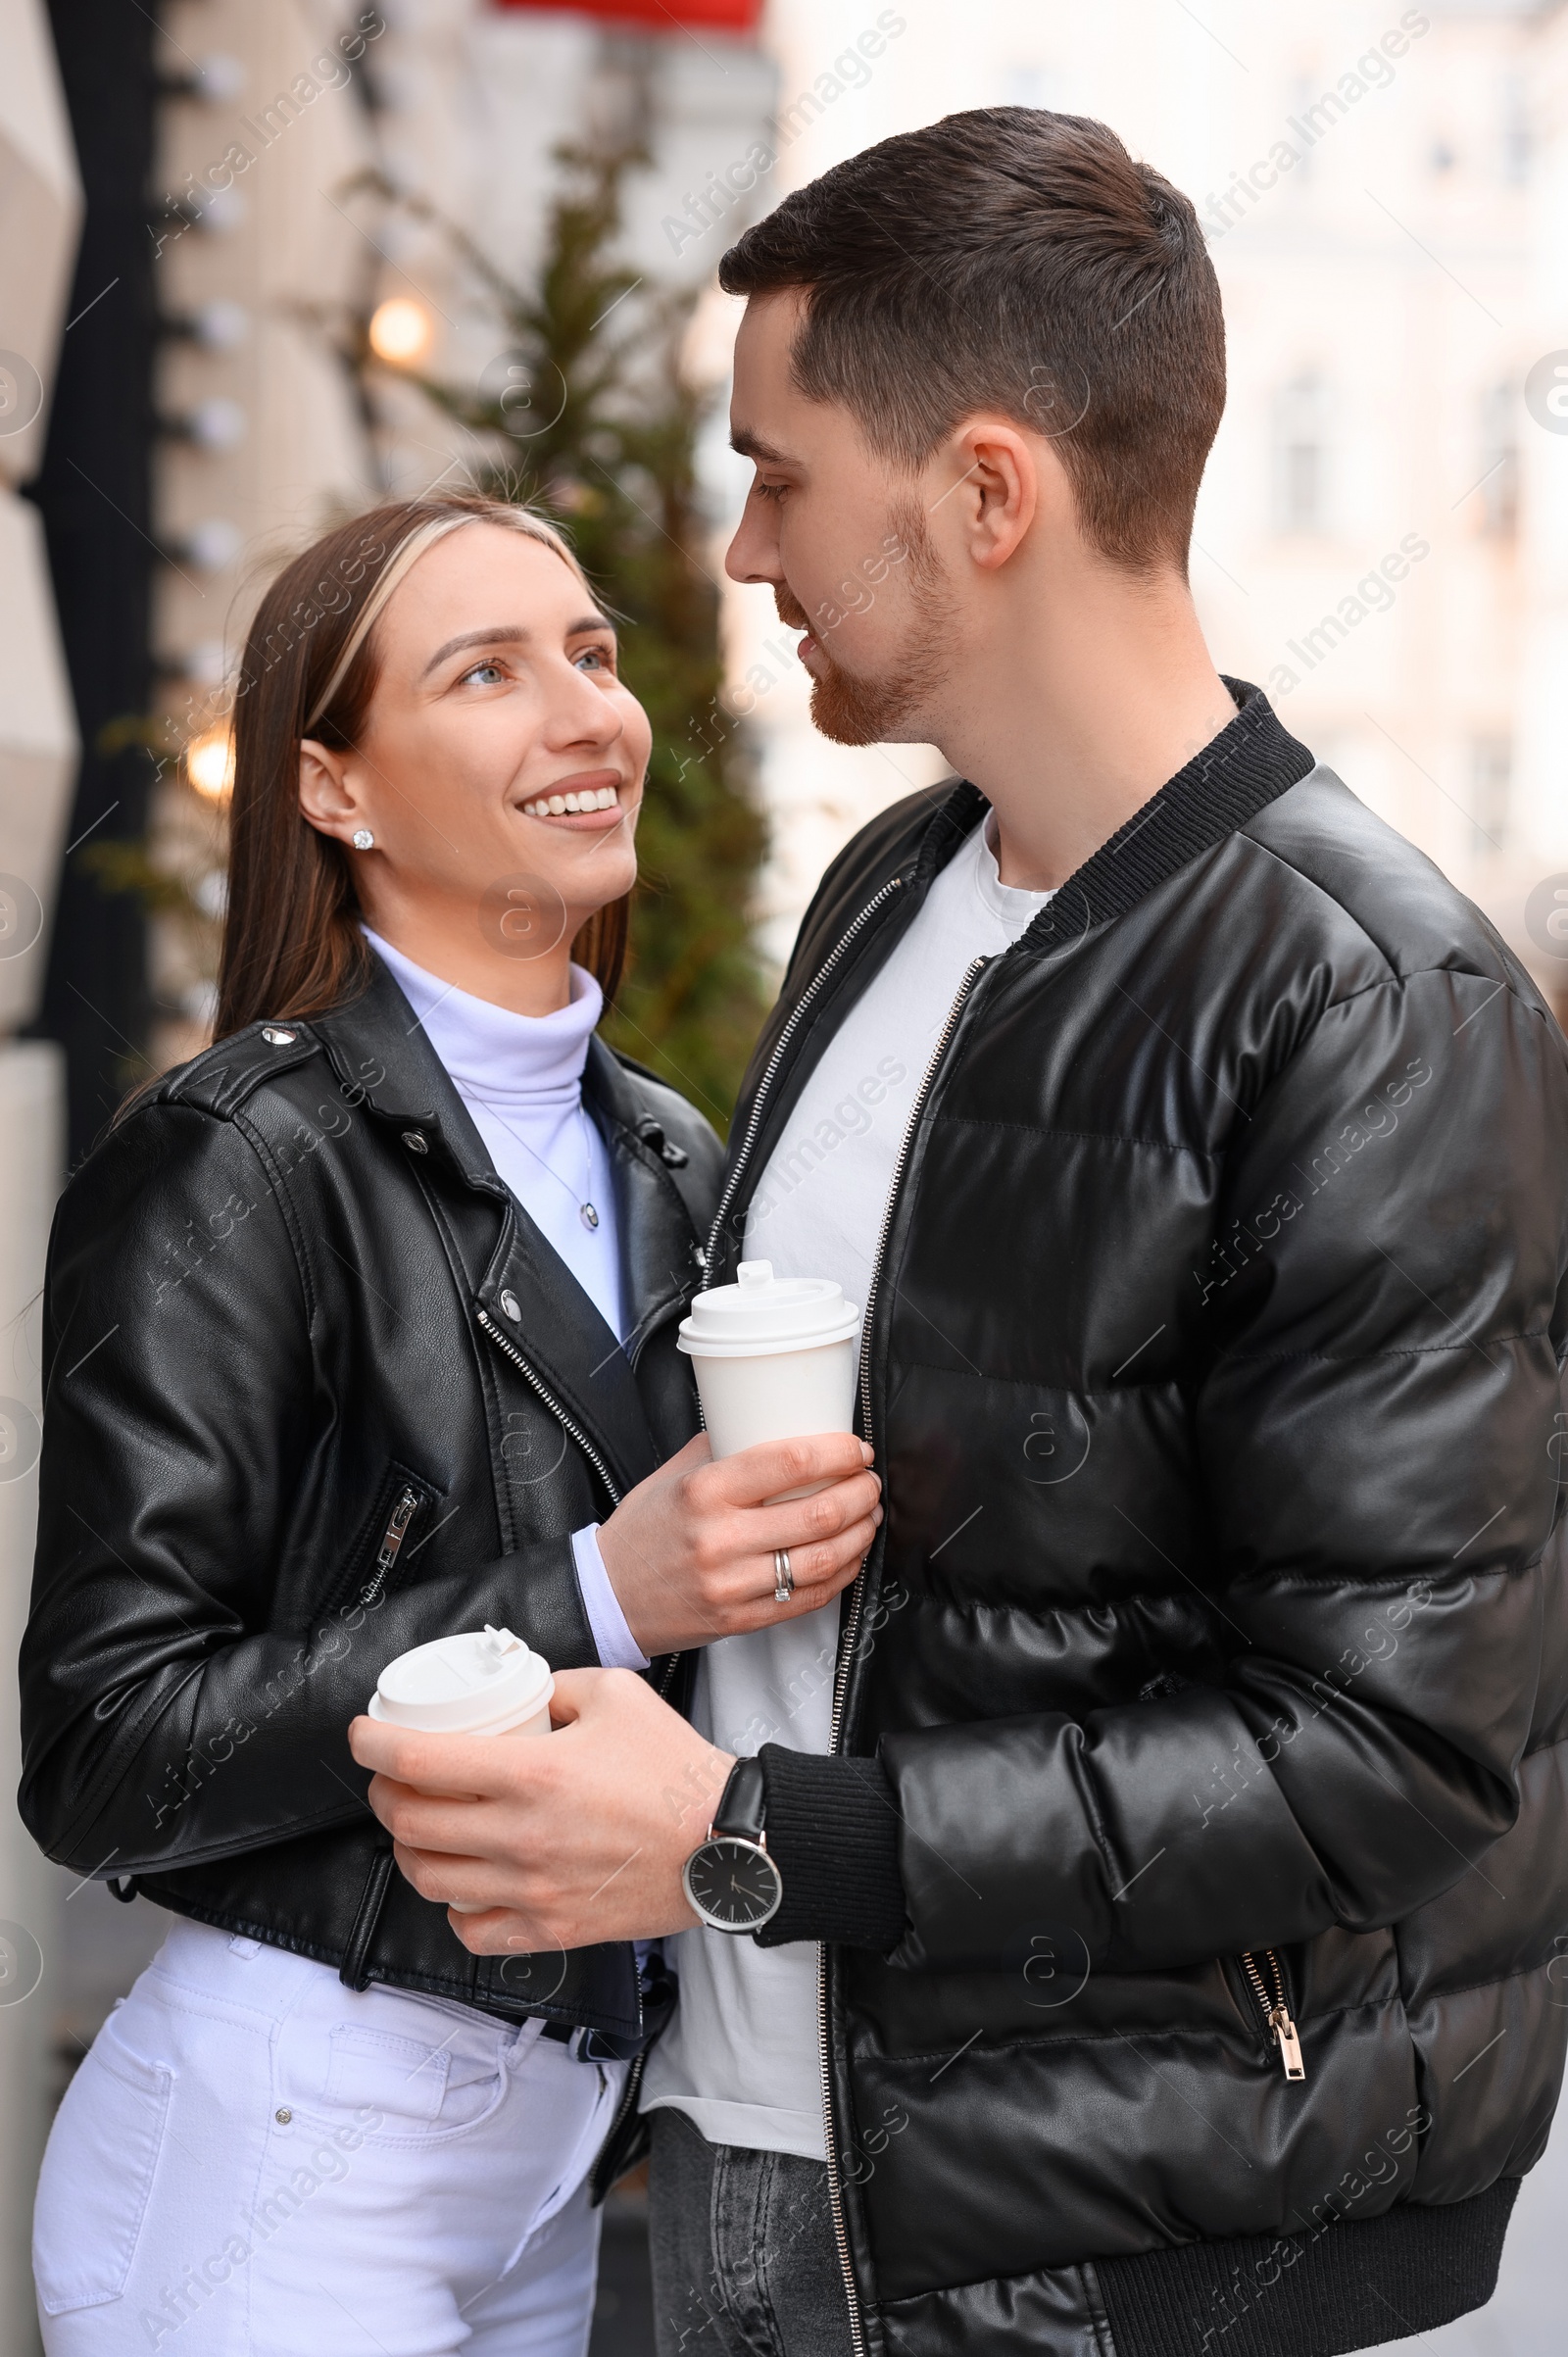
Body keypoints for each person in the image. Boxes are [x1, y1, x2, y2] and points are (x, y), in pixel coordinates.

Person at [349, 114, 1568, 2357]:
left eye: (782, 475)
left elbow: (1388, 1758)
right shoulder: (886, 894)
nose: (737, 552)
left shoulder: (1371, 1003)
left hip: (1108, 2248)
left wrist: (749, 1834)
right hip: (745, 2155)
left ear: (985, 494)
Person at [19, 491, 882, 2357]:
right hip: (282, 2149)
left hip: (552, 2160)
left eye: (590, 653)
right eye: (485, 671)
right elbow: (100, 1744)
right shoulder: (237, 1163)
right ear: (331, 787)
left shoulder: (670, 1153)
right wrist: (589, 1586)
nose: (585, 712)